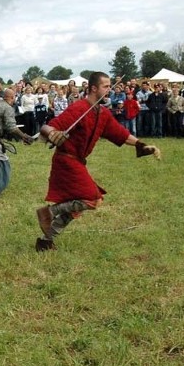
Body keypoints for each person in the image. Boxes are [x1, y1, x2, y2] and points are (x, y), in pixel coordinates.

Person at [36, 71, 160, 252]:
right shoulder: (78, 108)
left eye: (110, 86)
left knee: (77, 205)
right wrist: (52, 133)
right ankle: (48, 213)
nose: (109, 90)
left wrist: (140, 145)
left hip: (78, 162)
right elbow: (50, 126)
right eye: (106, 86)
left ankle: (45, 241)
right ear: (94, 88)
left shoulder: (102, 113)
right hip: (66, 161)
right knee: (91, 199)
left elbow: (120, 133)